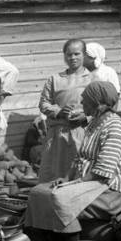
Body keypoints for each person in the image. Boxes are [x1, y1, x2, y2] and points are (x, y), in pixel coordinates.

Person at [26, 81, 121, 241]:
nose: (81, 104)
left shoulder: (115, 126)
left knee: (60, 197)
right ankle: (42, 239)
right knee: (38, 191)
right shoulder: (94, 123)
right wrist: (67, 179)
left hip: (109, 189)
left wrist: (75, 184)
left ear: (98, 103)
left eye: (85, 100)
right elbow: (78, 158)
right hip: (88, 183)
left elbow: (103, 170)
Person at [38, 39, 92, 182]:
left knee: (77, 172)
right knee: (52, 173)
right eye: (69, 54)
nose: (72, 58)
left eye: (76, 54)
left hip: (81, 132)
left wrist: (86, 117)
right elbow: (44, 103)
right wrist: (58, 112)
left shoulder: (93, 79)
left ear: (84, 54)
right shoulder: (55, 79)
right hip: (57, 134)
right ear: (64, 56)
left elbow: (102, 108)